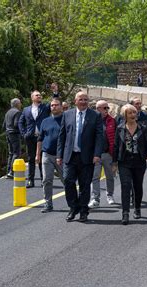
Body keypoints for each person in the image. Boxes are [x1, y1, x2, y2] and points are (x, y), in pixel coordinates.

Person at [57, 91, 103, 223]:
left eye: (85, 99)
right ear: (75, 101)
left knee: (84, 185)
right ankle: (73, 207)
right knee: (68, 181)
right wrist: (59, 155)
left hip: (87, 157)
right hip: (70, 156)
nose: (83, 102)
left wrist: (97, 154)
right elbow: (62, 136)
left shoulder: (95, 116)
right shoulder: (67, 114)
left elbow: (99, 137)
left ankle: (83, 211)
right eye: (81, 99)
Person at [113, 104, 147, 225]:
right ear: (125, 115)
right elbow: (115, 147)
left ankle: (137, 208)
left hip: (139, 161)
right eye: (129, 113)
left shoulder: (143, 128)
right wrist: (114, 163)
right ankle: (125, 213)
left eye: (134, 113)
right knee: (125, 186)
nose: (132, 115)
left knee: (137, 186)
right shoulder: (120, 128)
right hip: (124, 162)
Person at [36, 98, 64, 213]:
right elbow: (40, 139)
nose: (54, 107)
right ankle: (48, 203)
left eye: (56, 105)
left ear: (61, 107)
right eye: (52, 105)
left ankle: (73, 203)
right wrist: (38, 155)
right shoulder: (45, 121)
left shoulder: (66, 120)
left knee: (66, 180)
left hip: (61, 156)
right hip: (46, 154)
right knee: (46, 180)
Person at [19, 90, 51, 188]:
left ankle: (43, 180)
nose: (39, 96)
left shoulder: (45, 108)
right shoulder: (26, 110)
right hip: (30, 137)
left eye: (40, 95)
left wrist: (55, 92)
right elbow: (21, 122)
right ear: (32, 97)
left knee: (42, 159)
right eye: (37, 95)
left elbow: (54, 101)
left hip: (42, 137)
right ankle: (30, 181)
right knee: (31, 159)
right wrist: (24, 133)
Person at [88, 100, 117, 209]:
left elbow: (115, 139)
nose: (107, 110)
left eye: (107, 108)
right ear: (98, 109)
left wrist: (115, 157)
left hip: (108, 154)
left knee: (110, 176)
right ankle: (95, 199)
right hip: (95, 154)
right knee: (95, 177)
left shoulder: (112, 121)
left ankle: (110, 195)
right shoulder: (92, 121)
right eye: (104, 108)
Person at [3, 98, 22, 179]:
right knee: (16, 153)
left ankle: (8, 171)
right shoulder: (17, 112)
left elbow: (3, 125)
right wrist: (22, 131)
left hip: (8, 133)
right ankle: (12, 171)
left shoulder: (8, 112)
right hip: (14, 134)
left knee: (11, 153)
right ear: (17, 104)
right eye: (20, 103)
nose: (21, 104)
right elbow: (16, 124)